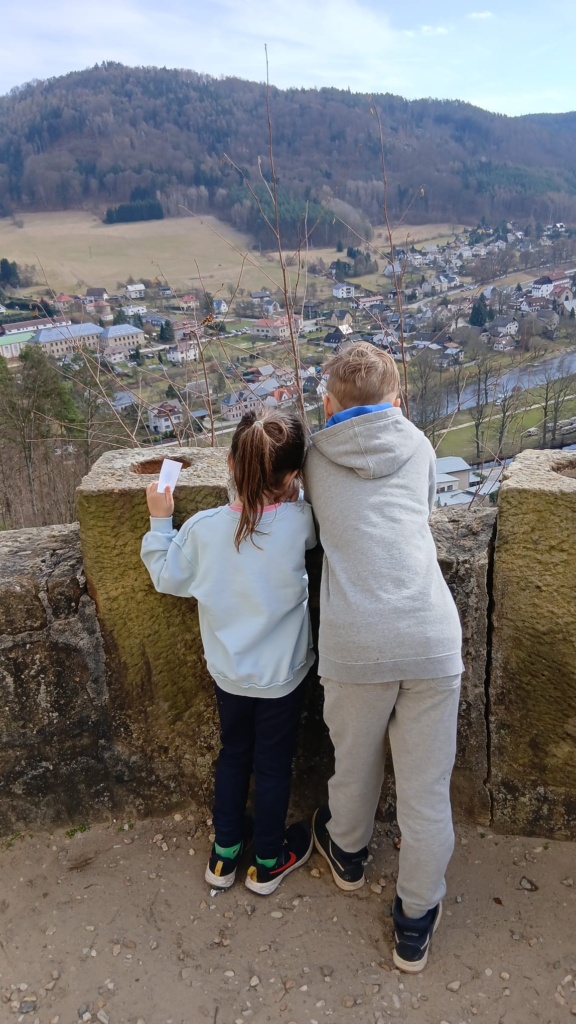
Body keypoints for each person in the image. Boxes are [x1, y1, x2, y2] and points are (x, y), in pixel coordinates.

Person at [304, 342, 463, 972]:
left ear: (328, 404)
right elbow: (423, 511)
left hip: (355, 640)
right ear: (398, 401)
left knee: (354, 761)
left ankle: (347, 855)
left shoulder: (315, 458)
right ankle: (415, 921)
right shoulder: (419, 446)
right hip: (430, 635)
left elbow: (314, 531)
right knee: (426, 791)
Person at [141, 409, 317, 895]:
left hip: (229, 674)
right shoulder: (300, 521)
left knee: (234, 754)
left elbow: (167, 576)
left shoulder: (202, 529)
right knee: (273, 765)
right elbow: (300, 525)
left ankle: (224, 855)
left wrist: (160, 520)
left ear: (230, 464)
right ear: (293, 474)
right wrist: (292, 494)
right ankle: (268, 860)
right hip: (283, 676)